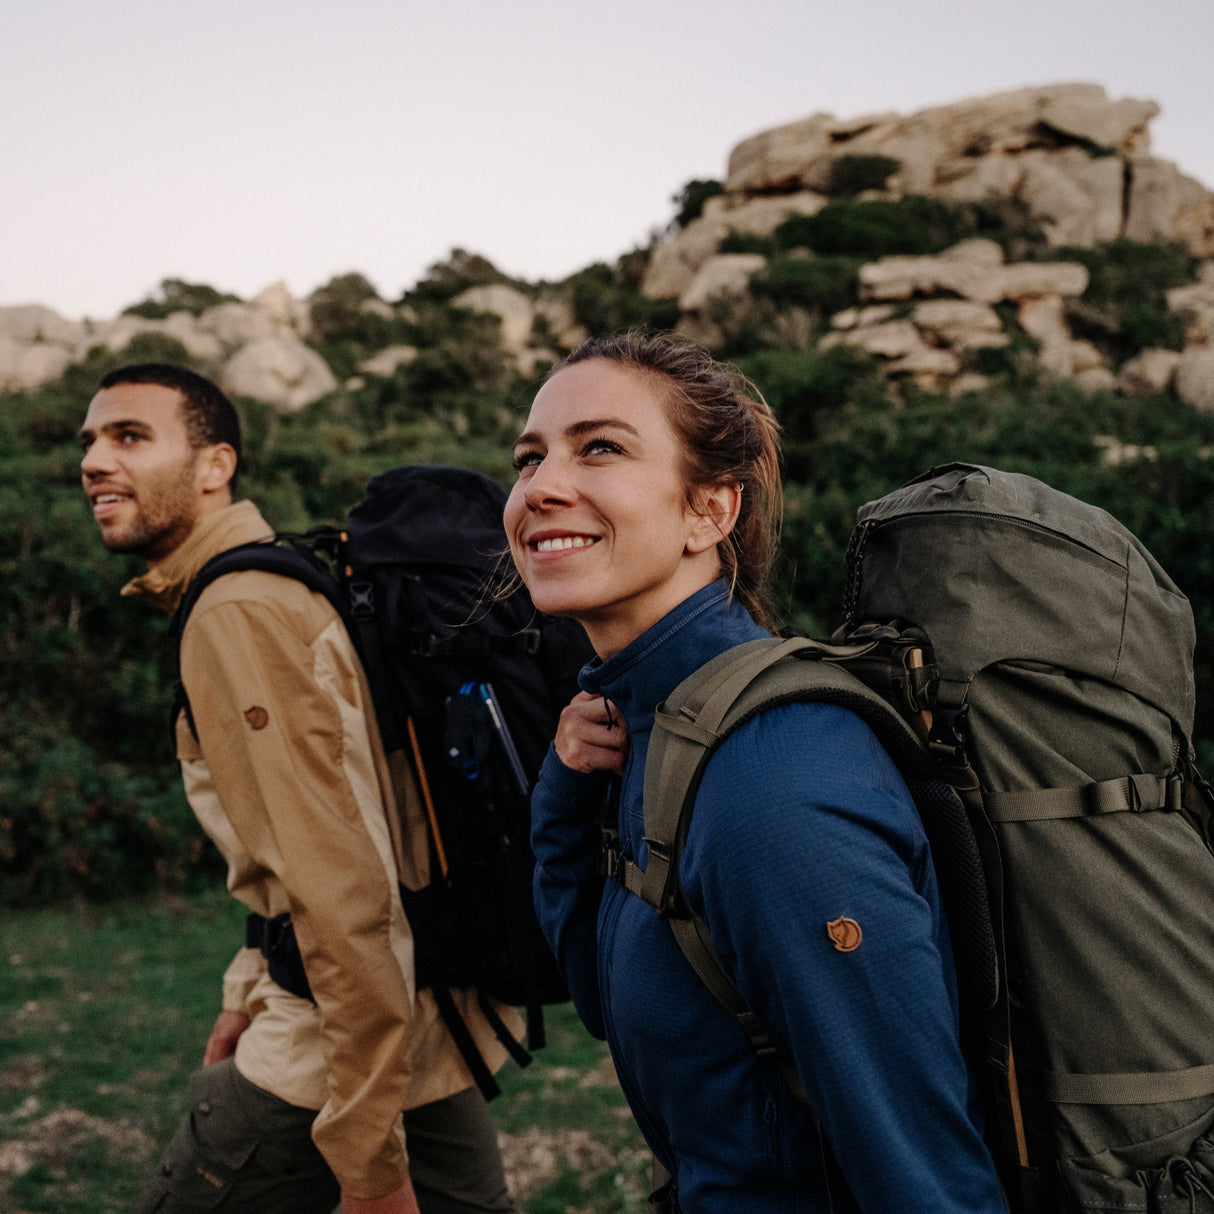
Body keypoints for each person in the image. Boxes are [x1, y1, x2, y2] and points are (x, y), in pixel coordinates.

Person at [503, 332, 1006, 1213]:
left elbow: (923, 1171)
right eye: (528, 457)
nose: (540, 486)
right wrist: (565, 791)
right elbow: (602, 996)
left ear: (711, 512)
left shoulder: (770, 783)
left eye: (602, 447)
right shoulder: (650, 725)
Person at [79, 363, 516, 1214]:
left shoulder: (238, 610)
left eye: (130, 437)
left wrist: (370, 1170)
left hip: (331, 1049)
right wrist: (247, 984)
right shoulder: (273, 579)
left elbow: (341, 891)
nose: (95, 460)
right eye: (89, 441)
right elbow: (302, 849)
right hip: (408, 1028)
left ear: (215, 467)